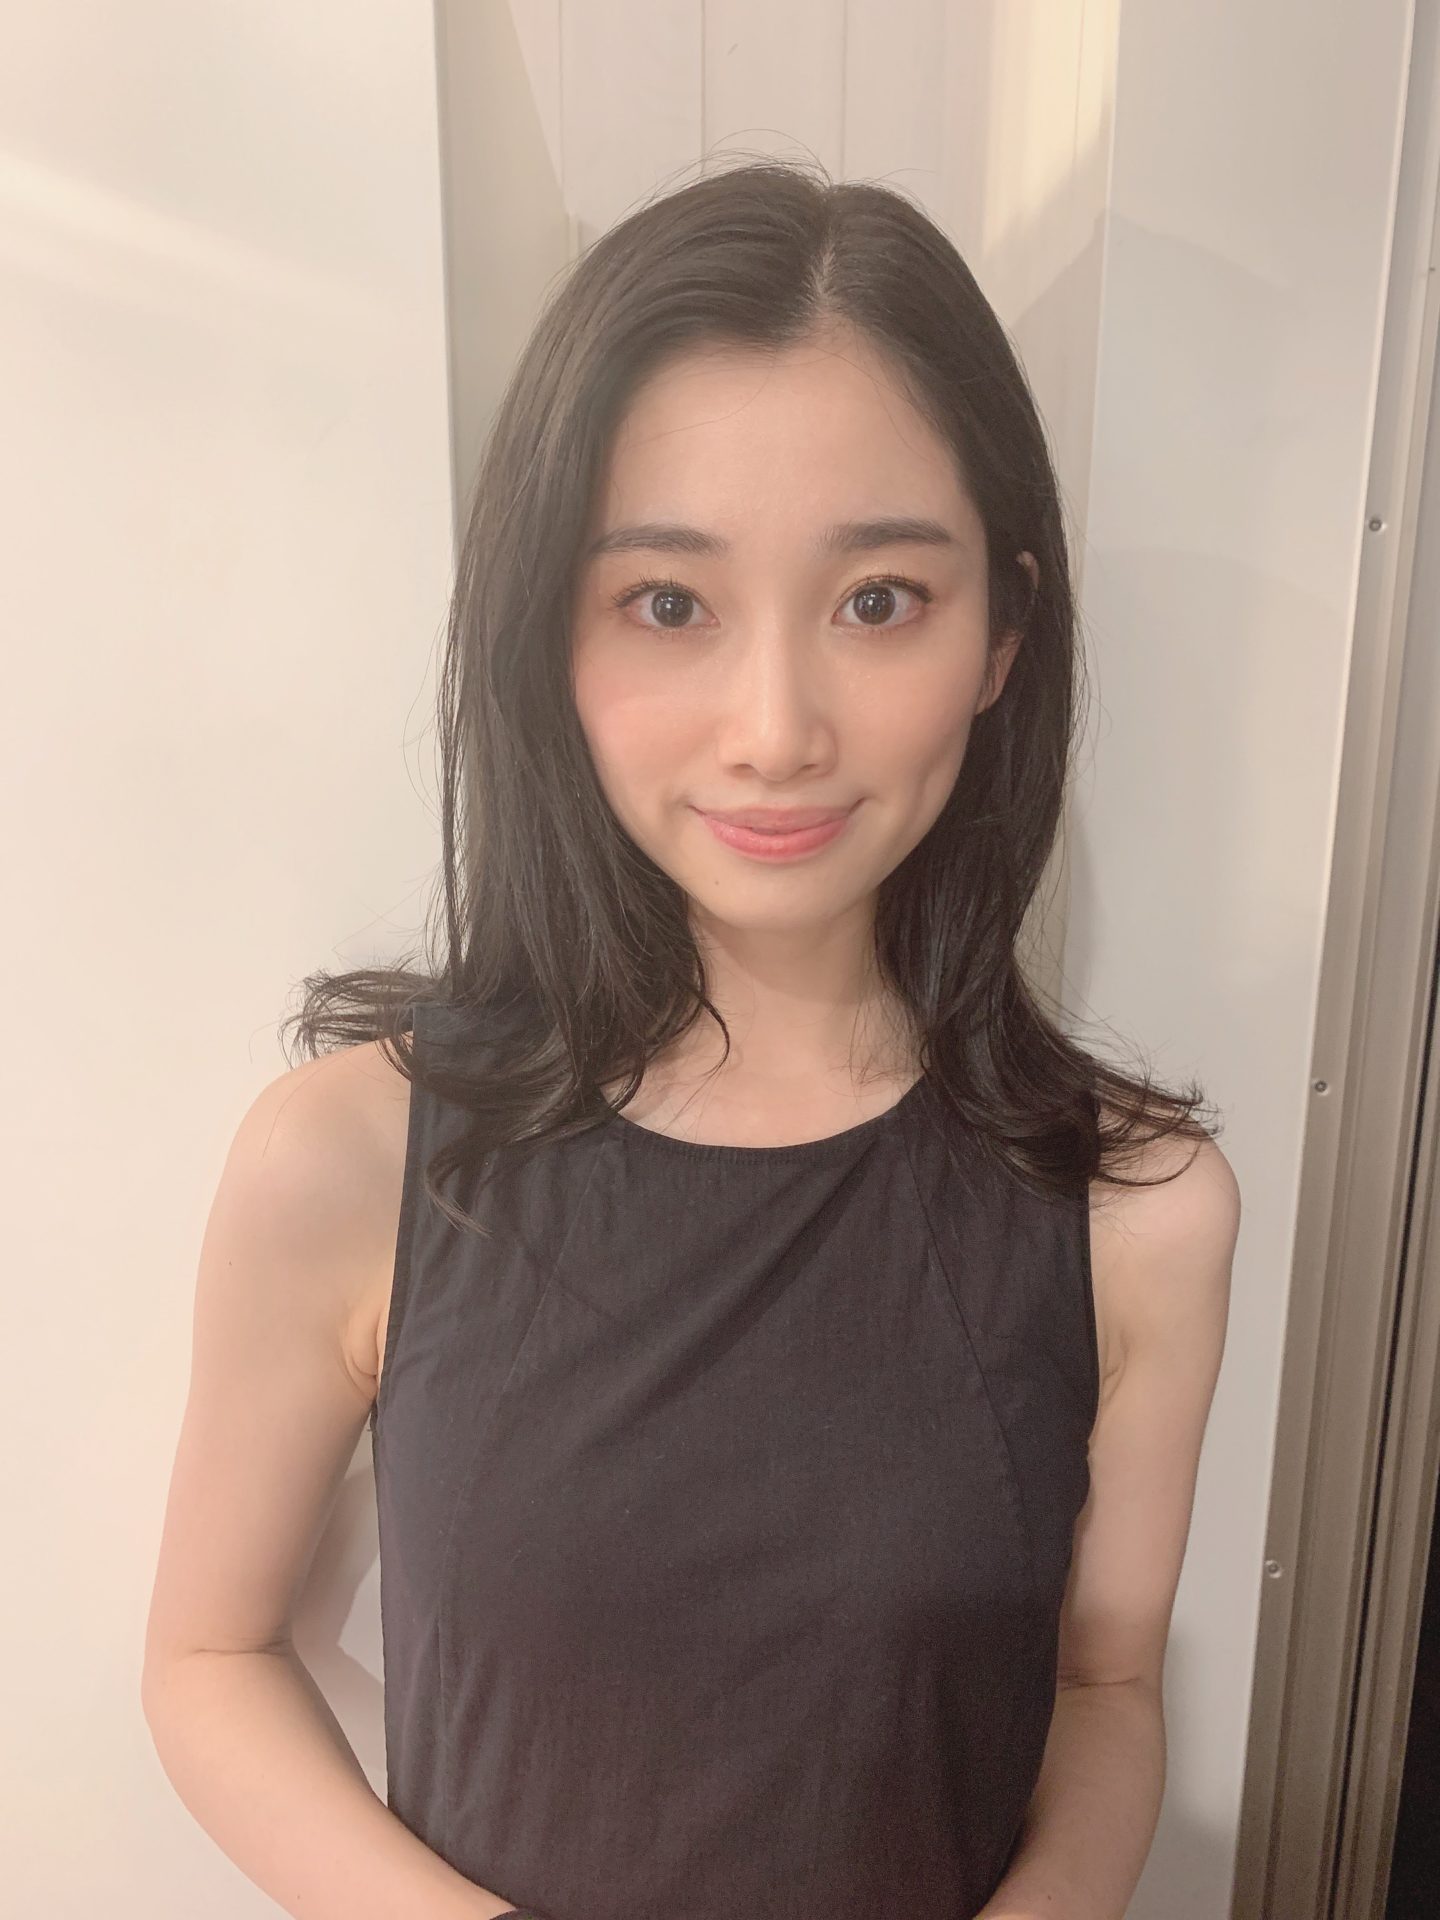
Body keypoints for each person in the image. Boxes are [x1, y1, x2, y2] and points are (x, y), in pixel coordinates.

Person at [141, 155, 1240, 1920]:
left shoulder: (1140, 1208)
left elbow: (1104, 1688)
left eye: (879, 600)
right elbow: (208, 1656)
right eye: (668, 603)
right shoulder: (351, 1159)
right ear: (551, 637)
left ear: (1002, 635)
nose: (776, 727)